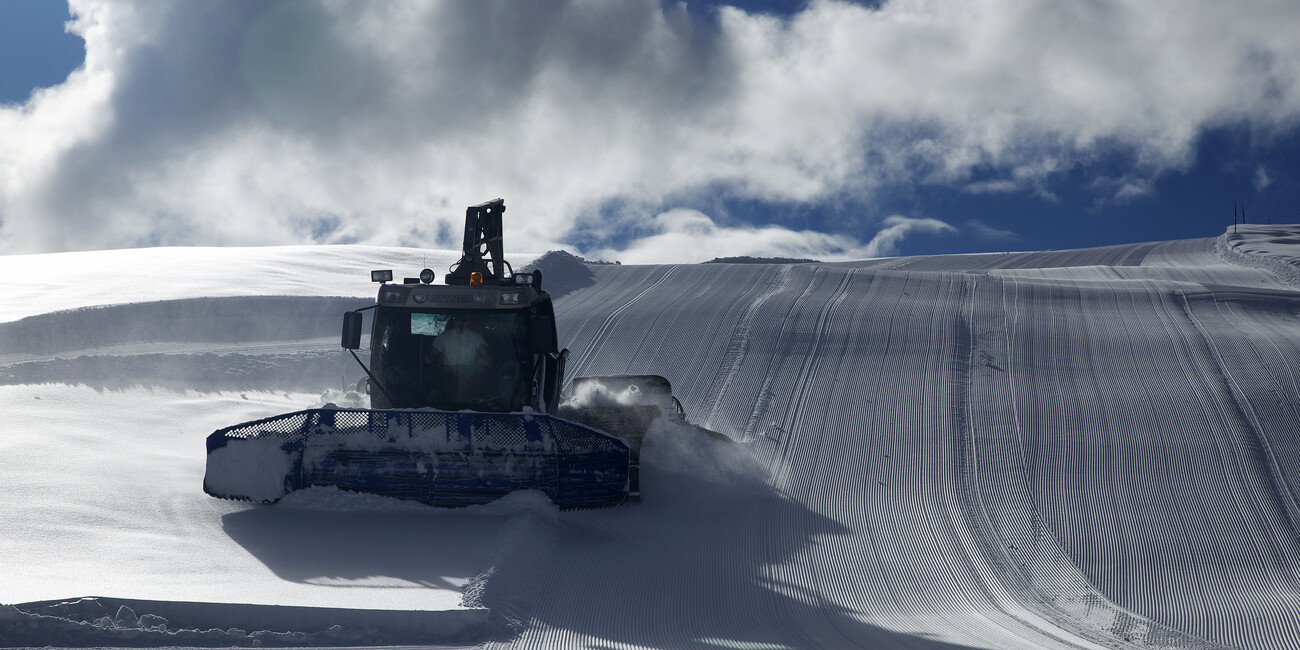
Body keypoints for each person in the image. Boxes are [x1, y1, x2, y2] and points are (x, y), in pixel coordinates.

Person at [428, 315, 490, 403]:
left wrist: (481, 362)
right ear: (454, 321)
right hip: (448, 370)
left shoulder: (476, 337)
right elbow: (432, 354)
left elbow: (487, 357)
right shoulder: (444, 336)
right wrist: (429, 358)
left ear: (467, 322)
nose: (460, 323)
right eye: (458, 320)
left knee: (462, 381)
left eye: (463, 320)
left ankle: (459, 404)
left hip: (468, 371)